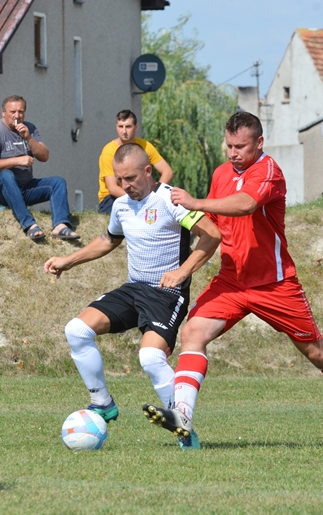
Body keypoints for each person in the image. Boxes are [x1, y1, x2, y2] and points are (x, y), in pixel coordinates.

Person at [143, 112, 323, 450]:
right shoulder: (222, 173)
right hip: (232, 281)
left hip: (275, 283)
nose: (233, 152)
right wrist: (183, 270)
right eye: (229, 145)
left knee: (315, 352)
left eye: (241, 146)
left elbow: (246, 204)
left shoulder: (269, 170)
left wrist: (195, 202)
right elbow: (212, 232)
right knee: (193, 332)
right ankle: (182, 415)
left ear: (259, 143)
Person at [44, 143, 220, 426]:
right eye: (119, 179)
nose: (125, 185)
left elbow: (211, 234)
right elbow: (108, 240)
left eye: (131, 178)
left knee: (150, 357)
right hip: (134, 288)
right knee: (76, 331)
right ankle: (102, 403)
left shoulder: (170, 200)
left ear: (148, 171)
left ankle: (181, 421)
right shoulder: (121, 205)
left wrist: (182, 272)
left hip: (167, 294)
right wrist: (69, 260)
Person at [0, 95, 78, 241]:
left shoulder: (30, 129)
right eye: (12, 112)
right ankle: (29, 225)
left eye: (20, 112)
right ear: (3, 112)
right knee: (7, 175)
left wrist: (28, 138)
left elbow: (44, 156)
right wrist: (17, 161)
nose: (17, 116)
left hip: (24, 188)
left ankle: (60, 225)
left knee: (58, 182)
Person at [97, 110, 173, 214]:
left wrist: (155, 195)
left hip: (141, 195)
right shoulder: (109, 151)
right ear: (116, 127)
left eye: (128, 127)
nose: (124, 131)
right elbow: (113, 189)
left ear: (136, 127)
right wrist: (141, 199)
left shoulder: (145, 146)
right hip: (112, 199)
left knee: (171, 205)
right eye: (120, 126)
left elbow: (167, 172)